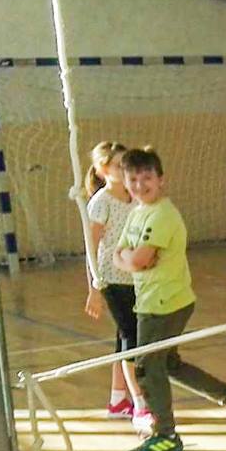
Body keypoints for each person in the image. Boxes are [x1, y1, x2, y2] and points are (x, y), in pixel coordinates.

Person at [114, 147, 226, 451]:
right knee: (168, 364)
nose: (139, 185)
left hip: (165, 303)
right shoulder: (137, 213)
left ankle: (165, 434)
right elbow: (119, 256)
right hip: (149, 300)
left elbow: (136, 259)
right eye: (133, 179)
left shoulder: (163, 215)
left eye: (146, 178)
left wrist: (131, 260)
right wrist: (130, 260)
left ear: (160, 180)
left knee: (147, 367)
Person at [81, 140, 147, 423]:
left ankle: (117, 399)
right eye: (119, 165)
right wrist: (94, 288)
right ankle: (140, 402)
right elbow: (91, 247)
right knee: (132, 336)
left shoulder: (134, 197)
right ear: (103, 170)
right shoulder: (101, 203)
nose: (124, 170)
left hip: (134, 277)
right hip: (111, 279)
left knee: (124, 337)